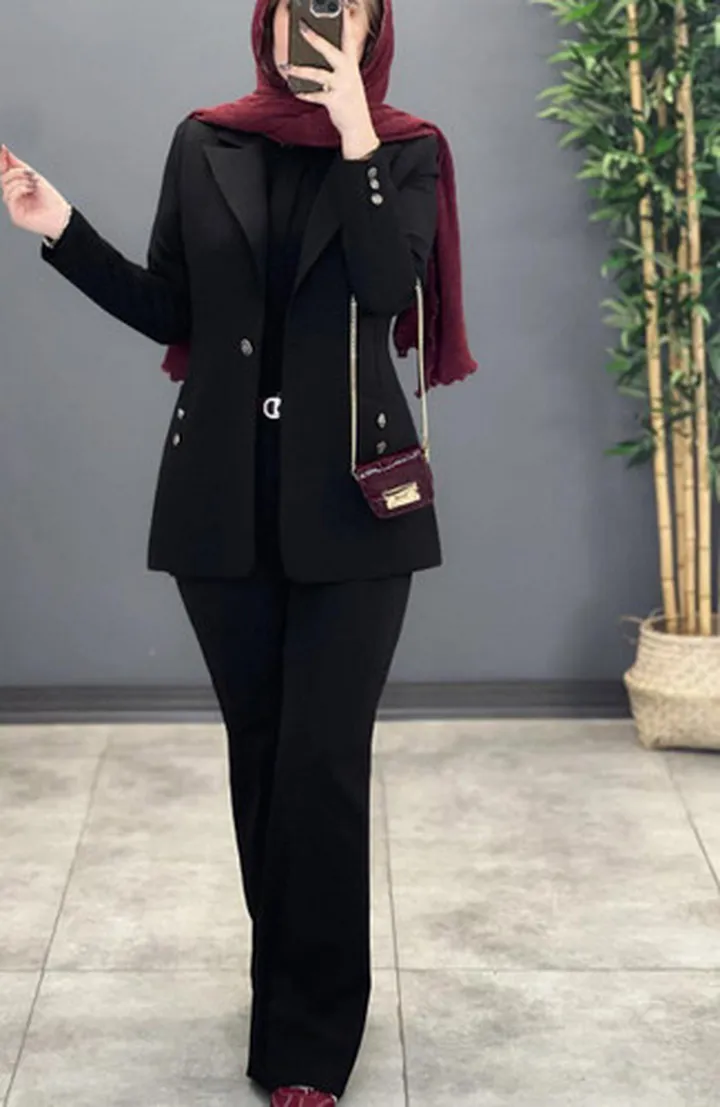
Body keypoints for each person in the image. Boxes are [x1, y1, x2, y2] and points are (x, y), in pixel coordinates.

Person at [0, 0, 476, 1103]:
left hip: (357, 507)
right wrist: (61, 228)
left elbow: (387, 289)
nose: (318, 27)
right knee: (262, 759)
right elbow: (175, 308)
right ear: (267, 22)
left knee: (321, 764)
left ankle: (309, 1044)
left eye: (342, 10)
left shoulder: (405, 152)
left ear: (373, 29)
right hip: (221, 503)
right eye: (301, 7)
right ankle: (293, 989)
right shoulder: (205, 140)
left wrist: (354, 132)